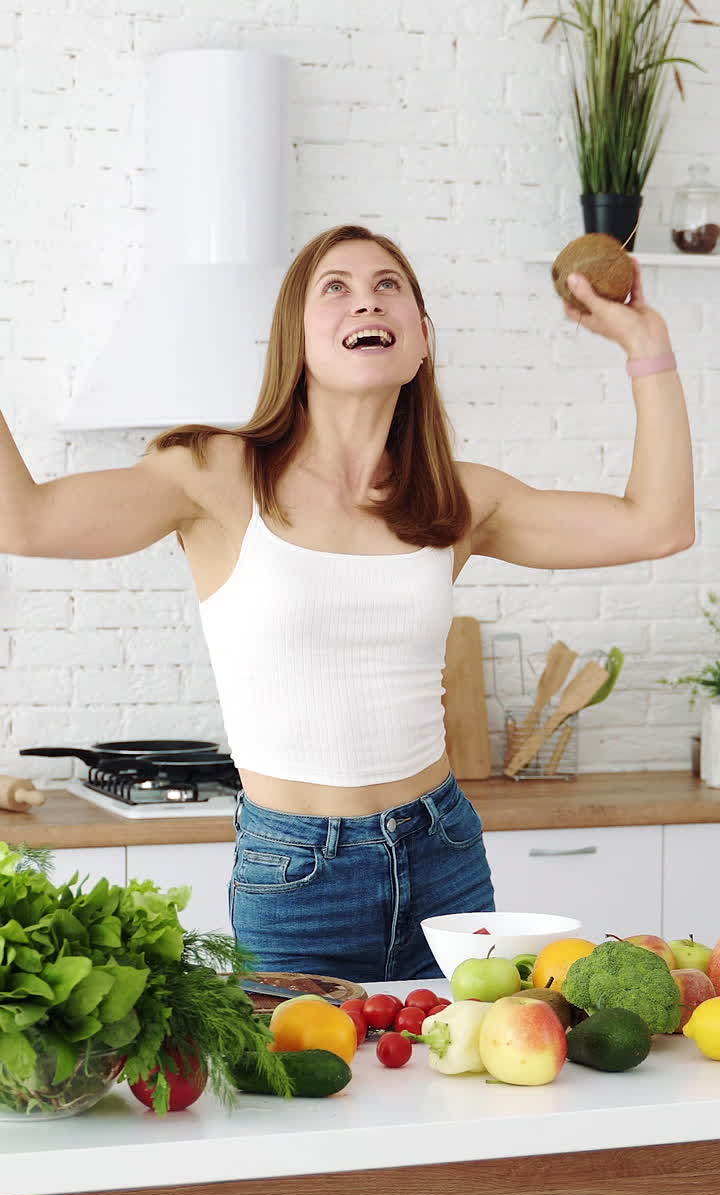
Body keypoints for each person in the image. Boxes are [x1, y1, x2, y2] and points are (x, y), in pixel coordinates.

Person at [0, 224, 694, 982]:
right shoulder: (215, 474)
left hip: (444, 855)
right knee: (302, 1094)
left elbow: (659, 527)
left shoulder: (456, 498)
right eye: (336, 287)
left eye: (388, 285)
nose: (367, 298)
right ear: (294, 339)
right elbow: (22, 521)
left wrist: (646, 344)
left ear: (422, 338)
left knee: (471, 1091)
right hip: (296, 875)